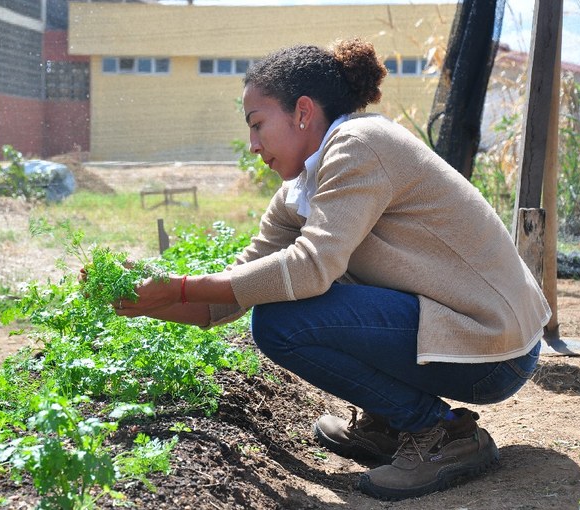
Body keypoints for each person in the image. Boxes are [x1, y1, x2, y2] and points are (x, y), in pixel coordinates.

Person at [112, 37, 551, 500]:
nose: (253, 145)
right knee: (277, 308)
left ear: (302, 112)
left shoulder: (360, 145)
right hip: (464, 336)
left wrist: (179, 286)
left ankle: (442, 433)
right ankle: (394, 423)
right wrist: (142, 300)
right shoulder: (301, 188)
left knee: (282, 321)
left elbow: (309, 269)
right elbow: (229, 297)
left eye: (258, 125)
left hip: (496, 349)